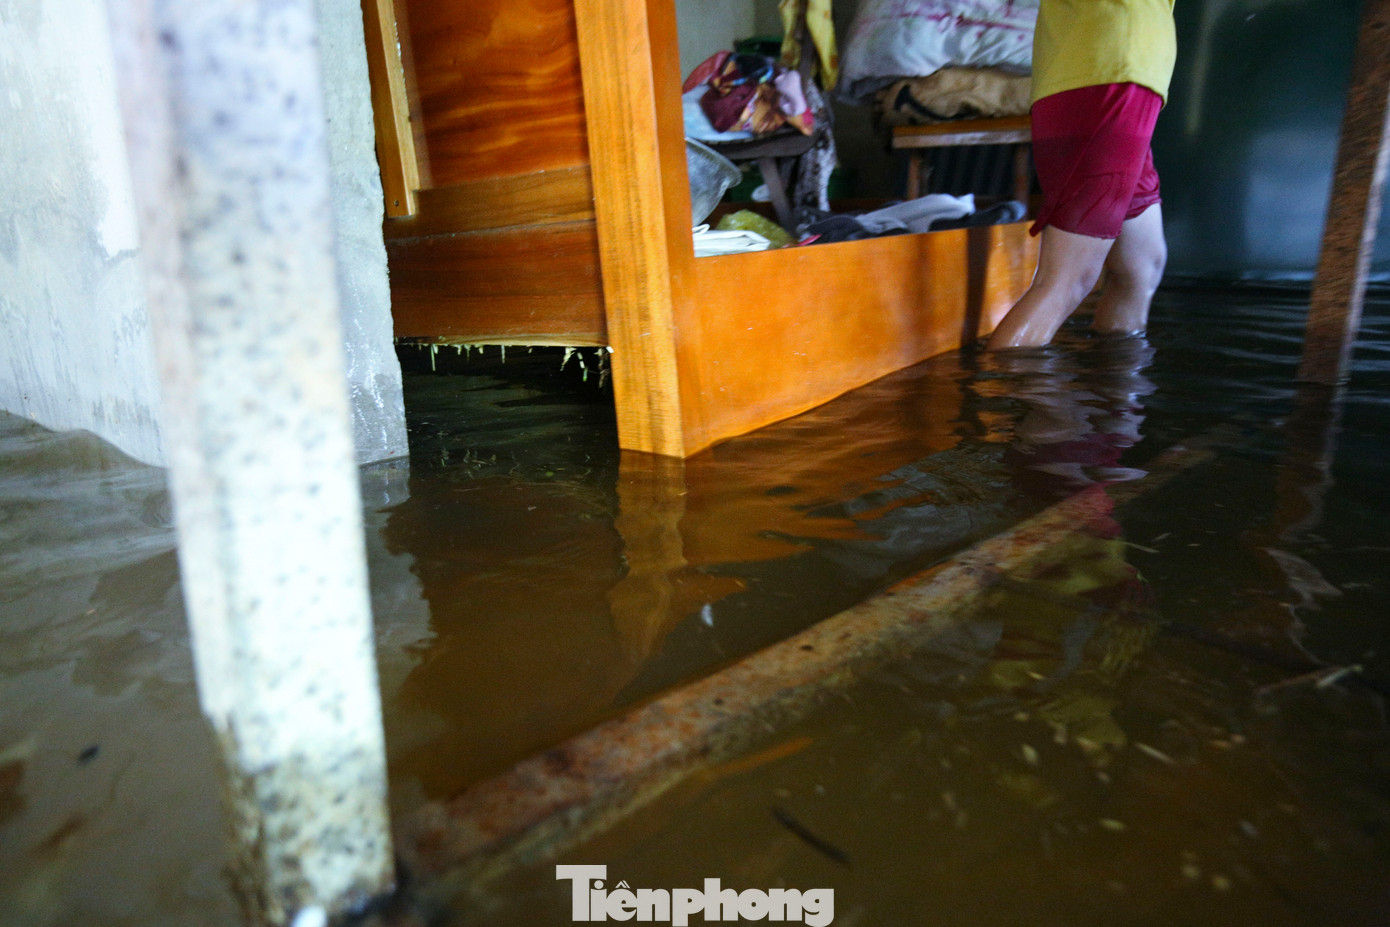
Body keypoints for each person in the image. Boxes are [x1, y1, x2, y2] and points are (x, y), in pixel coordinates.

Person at [986, 0, 1178, 351]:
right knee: (1067, 280)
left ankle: (1113, 401)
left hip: (1116, 66)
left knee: (1142, 266)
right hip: (1111, 63)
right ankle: (996, 399)